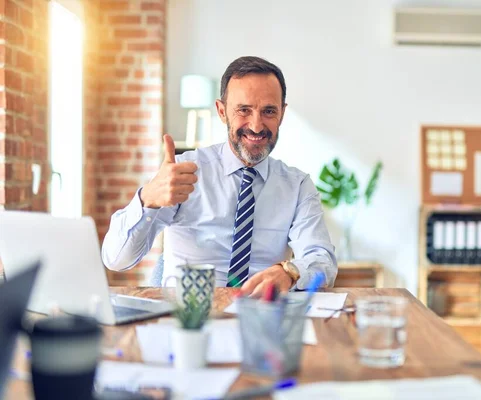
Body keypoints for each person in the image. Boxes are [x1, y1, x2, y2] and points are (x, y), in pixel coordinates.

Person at [102, 56, 337, 297]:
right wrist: (147, 198)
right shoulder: (184, 172)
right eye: (243, 110)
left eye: (268, 111)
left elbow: (321, 259)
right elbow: (116, 259)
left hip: (260, 315)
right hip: (189, 317)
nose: (256, 126)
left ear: (282, 114)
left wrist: (290, 272)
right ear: (222, 111)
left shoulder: (297, 186)